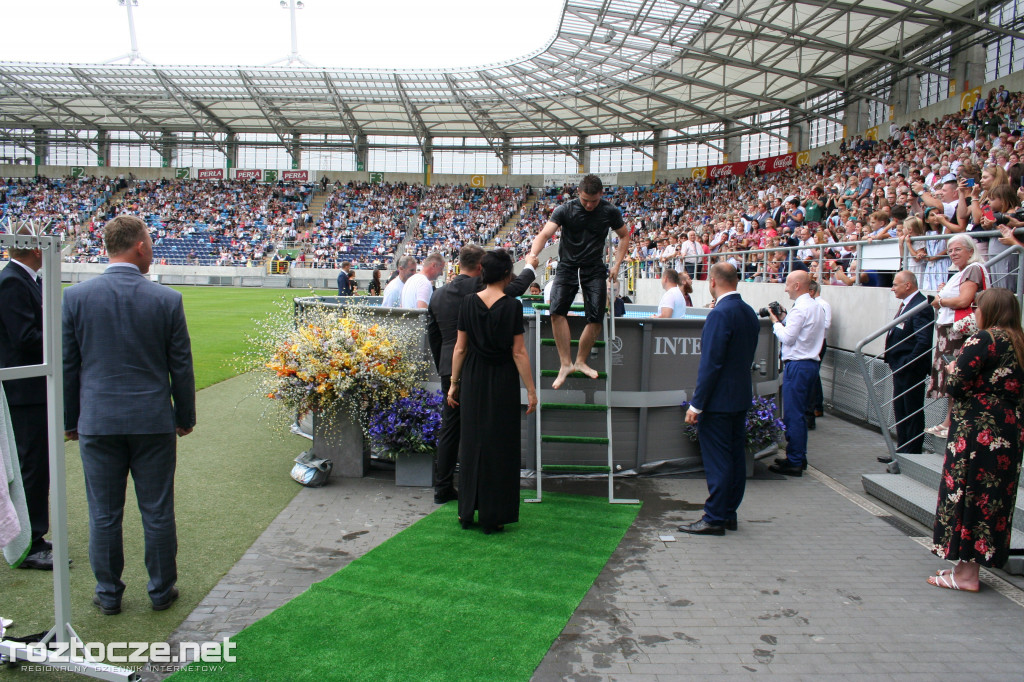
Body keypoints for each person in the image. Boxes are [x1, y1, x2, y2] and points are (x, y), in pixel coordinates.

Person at [63, 215, 196, 616]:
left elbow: (69, 366)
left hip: (99, 421)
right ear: (139, 247)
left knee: (103, 513)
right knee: (156, 510)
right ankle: (160, 591)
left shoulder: (76, 297)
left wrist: (71, 421)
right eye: (151, 243)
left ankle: (108, 594)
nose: (152, 250)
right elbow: (181, 367)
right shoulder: (166, 300)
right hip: (152, 421)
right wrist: (185, 416)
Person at [928, 287, 1024, 592]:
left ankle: (966, 575)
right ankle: (968, 566)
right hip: (1007, 428)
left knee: (966, 494)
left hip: (976, 430)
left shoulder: (985, 338)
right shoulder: (1019, 340)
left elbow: (956, 384)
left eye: (978, 307)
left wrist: (953, 367)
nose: (975, 313)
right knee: (990, 498)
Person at [426, 246, 537, 505]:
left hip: (449, 368)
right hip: (480, 370)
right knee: (486, 430)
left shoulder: (438, 295)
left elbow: (434, 335)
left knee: (450, 428)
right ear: (480, 268)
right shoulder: (481, 289)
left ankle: (443, 488)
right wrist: (530, 266)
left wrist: (445, 368)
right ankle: (485, 492)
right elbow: (514, 288)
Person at [678, 263, 760, 535]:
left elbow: (711, 364)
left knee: (718, 461)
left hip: (718, 401)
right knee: (735, 458)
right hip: (739, 397)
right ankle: (727, 513)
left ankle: (714, 517)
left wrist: (697, 404)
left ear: (712, 281)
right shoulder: (748, 312)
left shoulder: (719, 315)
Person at [528, 175, 630, 389]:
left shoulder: (609, 211)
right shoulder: (565, 209)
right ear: (579, 194)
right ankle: (565, 364)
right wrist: (532, 255)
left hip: (594, 268)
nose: (589, 205)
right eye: (585, 200)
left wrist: (617, 264)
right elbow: (545, 233)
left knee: (596, 317)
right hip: (567, 266)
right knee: (556, 312)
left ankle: (581, 361)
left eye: (593, 201)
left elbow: (624, 235)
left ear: (601, 194)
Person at [0, 227, 51, 569]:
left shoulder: (26, 279)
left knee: (37, 464)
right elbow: (24, 337)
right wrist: (60, 333)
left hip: (33, 389)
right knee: (30, 465)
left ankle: (35, 532)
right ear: (34, 248)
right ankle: (29, 542)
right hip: (24, 392)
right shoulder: (12, 281)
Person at [925, 234, 988, 439]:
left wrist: (940, 301)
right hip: (950, 332)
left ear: (970, 250)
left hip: (958, 333)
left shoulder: (973, 269)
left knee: (956, 376)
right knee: (952, 377)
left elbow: (964, 300)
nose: (952, 253)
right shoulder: (963, 272)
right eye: (950, 250)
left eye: (957, 249)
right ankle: (948, 421)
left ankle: (950, 422)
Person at [768, 270, 826, 476]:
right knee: (797, 414)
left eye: (787, 284)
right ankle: (797, 456)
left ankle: (795, 460)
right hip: (808, 364)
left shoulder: (801, 309)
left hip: (798, 365)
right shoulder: (816, 307)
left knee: (793, 415)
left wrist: (775, 322)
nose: (785, 288)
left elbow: (788, 338)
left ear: (797, 286)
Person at [881, 271, 934, 462]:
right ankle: (901, 451)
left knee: (910, 409)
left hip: (910, 368)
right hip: (901, 366)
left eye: (895, 284)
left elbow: (923, 341)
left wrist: (907, 362)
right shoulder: (908, 304)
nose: (892, 288)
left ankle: (911, 453)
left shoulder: (920, 306)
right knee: (900, 409)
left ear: (908, 285)